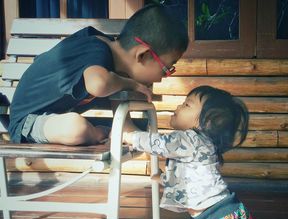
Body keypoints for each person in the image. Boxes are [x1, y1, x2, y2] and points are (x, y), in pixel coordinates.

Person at [122, 85, 288, 219]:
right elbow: (192, 177)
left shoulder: (189, 139)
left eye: (186, 104)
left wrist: (129, 136)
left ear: (205, 122)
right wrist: (164, 180)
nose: (178, 106)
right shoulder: (205, 145)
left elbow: (160, 143)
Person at [8, 4, 188, 145]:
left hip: (51, 118)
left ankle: (100, 130)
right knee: (76, 127)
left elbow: (113, 88)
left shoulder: (112, 65)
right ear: (143, 55)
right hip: (28, 122)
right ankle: (98, 132)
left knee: (79, 124)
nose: (164, 77)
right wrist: (132, 84)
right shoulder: (96, 50)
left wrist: (126, 128)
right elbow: (99, 84)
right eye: (167, 68)